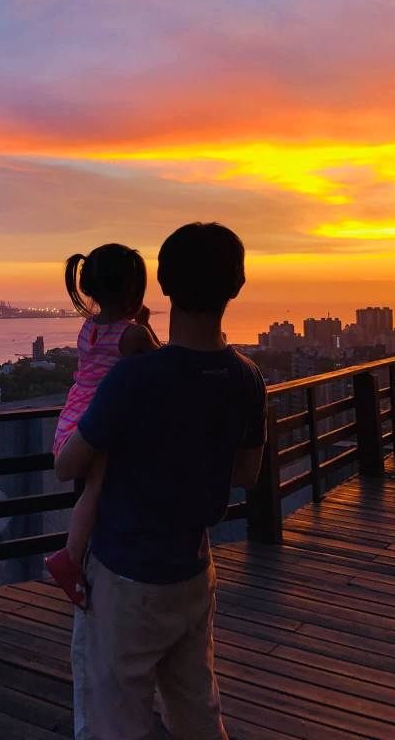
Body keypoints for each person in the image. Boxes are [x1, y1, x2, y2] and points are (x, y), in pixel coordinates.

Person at [56, 222, 266, 740]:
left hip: (124, 574)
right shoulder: (246, 377)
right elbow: (247, 473)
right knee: (197, 711)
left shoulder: (133, 378)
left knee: (112, 720)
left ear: (165, 284)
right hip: (193, 570)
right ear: (238, 285)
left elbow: (68, 464)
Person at [45, 244, 159, 606]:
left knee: (92, 488)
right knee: (96, 488)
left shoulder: (88, 327)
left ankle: (79, 559)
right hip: (99, 418)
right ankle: (71, 556)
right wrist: (145, 324)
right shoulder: (133, 335)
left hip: (73, 417)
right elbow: (162, 366)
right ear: (132, 289)